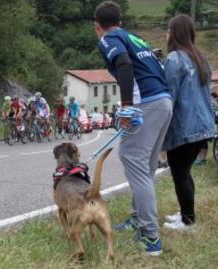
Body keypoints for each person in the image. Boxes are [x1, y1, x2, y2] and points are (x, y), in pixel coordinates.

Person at [94, 1, 173, 256]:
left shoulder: (109, 38)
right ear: (121, 20)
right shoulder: (135, 38)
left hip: (146, 102)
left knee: (131, 157)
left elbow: (124, 65)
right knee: (146, 164)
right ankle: (137, 219)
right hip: (163, 100)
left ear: (97, 26)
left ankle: (150, 237)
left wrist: (127, 107)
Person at [162, 14, 215, 230]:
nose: (166, 34)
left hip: (184, 126)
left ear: (173, 33)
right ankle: (186, 214)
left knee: (180, 174)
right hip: (203, 125)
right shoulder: (201, 57)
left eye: (168, 30)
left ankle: (188, 221)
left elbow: (169, 96)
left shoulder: (174, 59)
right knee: (185, 172)